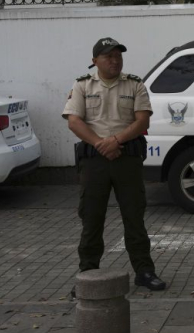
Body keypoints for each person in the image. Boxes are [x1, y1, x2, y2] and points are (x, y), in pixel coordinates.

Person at [62, 37, 166, 291]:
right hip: (95, 162)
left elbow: (142, 122)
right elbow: (74, 121)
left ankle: (144, 271)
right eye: (108, 56)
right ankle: (88, 275)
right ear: (94, 61)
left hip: (126, 159)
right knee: (92, 218)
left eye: (118, 55)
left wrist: (115, 140)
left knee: (134, 217)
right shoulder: (82, 86)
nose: (114, 60)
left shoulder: (135, 85)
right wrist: (100, 143)